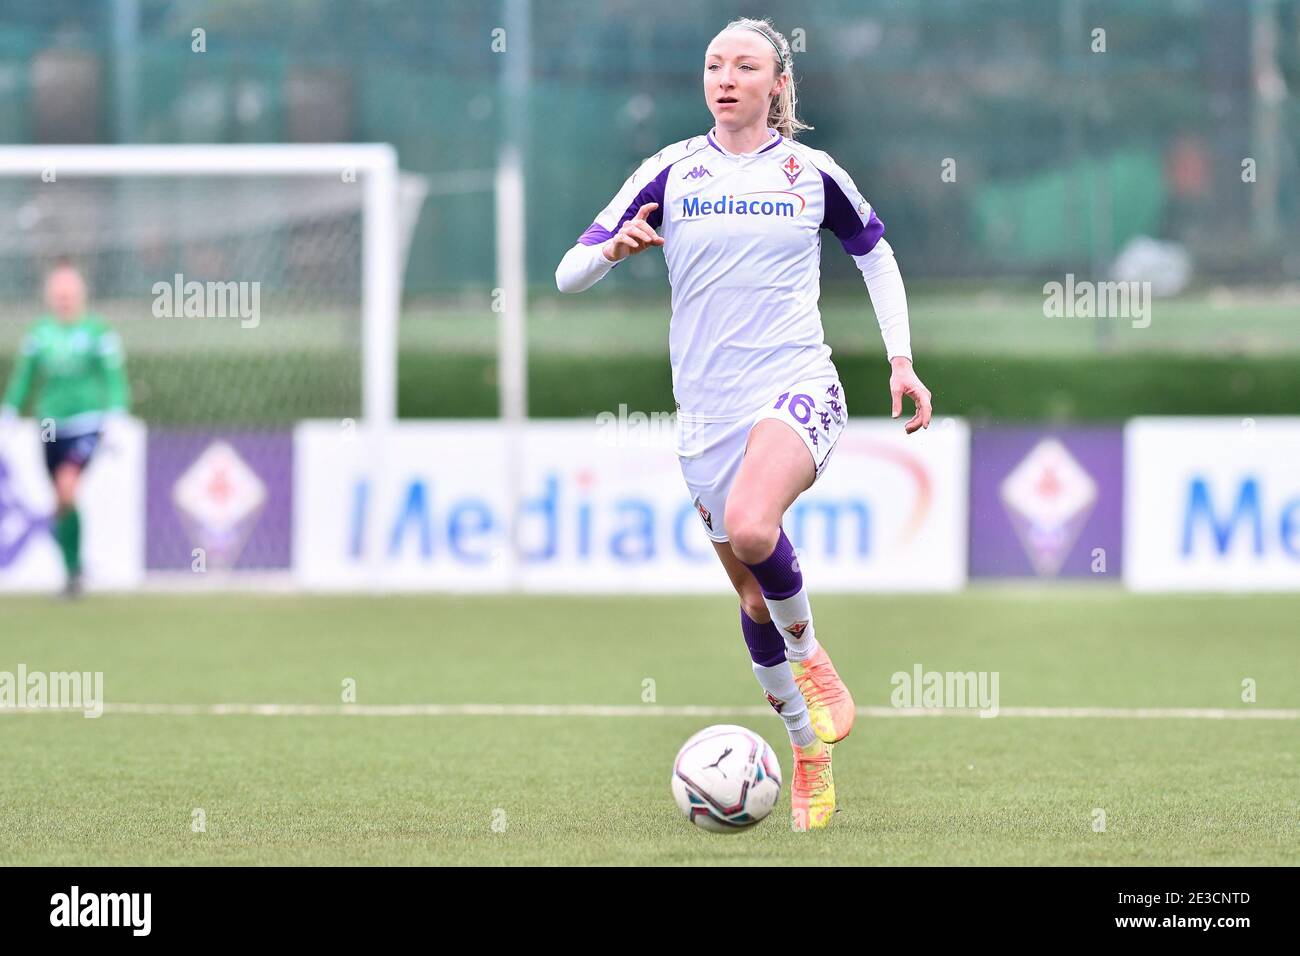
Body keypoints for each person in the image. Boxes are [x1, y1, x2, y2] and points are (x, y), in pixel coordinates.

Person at [555, 17, 932, 830]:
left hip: (797, 386)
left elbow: (875, 252)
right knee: (756, 600)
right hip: (707, 418)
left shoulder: (810, 172)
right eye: (714, 64)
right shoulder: (671, 170)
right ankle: (807, 751)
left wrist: (900, 359)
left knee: (755, 528)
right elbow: (566, 272)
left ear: (778, 84)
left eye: (745, 65)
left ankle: (814, 661)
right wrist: (614, 250)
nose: (725, 76)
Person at [0, 261, 130, 596]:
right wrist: (9, 413)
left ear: (80, 294)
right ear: (49, 296)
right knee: (60, 498)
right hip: (48, 426)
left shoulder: (98, 332)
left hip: (87, 424)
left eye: (68, 293)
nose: (64, 299)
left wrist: (116, 415)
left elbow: (114, 378)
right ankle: (74, 570)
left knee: (67, 487)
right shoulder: (39, 334)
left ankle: (73, 569)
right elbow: (24, 378)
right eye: (58, 294)